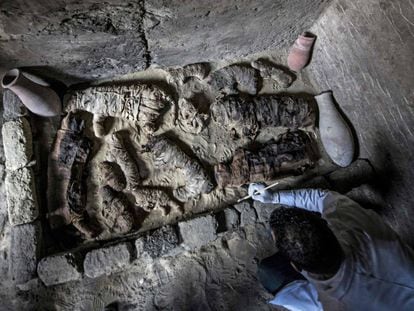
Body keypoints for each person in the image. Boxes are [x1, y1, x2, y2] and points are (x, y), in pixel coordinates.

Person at [249, 183, 414, 311]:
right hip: (395, 278)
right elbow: (322, 198)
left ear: (296, 267)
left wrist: (274, 197)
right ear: (326, 224)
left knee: (268, 272)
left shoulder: (334, 305)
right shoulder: (356, 223)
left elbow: (321, 199)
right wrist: (274, 196)